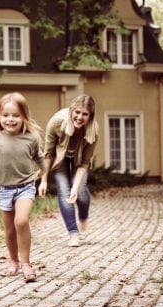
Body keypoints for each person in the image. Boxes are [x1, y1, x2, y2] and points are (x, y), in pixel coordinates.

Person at [0, 92, 46, 283]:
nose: (10, 119)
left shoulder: (30, 138)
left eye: (15, 115)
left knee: (21, 221)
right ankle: (13, 261)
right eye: (5, 115)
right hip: (3, 188)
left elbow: (40, 158)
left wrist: (45, 175)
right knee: (9, 230)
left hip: (26, 186)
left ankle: (26, 263)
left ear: (24, 116)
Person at [40, 94, 98, 247]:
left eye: (85, 114)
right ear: (71, 110)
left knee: (81, 191)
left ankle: (83, 218)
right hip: (60, 160)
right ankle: (73, 233)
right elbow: (49, 153)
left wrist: (75, 187)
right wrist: (44, 179)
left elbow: (85, 162)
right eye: (77, 112)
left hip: (79, 162)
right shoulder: (56, 122)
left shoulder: (92, 130)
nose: (79, 117)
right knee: (65, 193)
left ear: (90, 115)